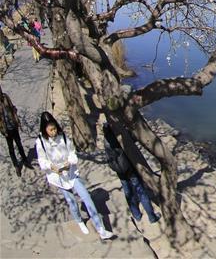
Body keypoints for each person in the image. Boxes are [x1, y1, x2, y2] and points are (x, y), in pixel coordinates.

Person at [35, 112, 114, 240]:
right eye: (50, 130)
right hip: (58, 177)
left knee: (86, 197)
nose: (54, 132)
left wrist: (69, 162)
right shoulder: (41, 143)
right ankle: (79, 221)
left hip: (71, 172)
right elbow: (42, 161)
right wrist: (51, 166)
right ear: (44, 129)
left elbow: (72, 153)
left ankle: (101, 229)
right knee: (72, 202)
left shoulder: (63, 137)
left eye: (54, 128)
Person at [102, 123, 160, 224]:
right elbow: (134, 138)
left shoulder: (106, 140)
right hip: (129, 167)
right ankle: (152, 216)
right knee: (140, 190)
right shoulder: (119, 136)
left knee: (128, 191)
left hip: (119, 170)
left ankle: (136, 215)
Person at [0, 85, 33, 176]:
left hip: (13, 126)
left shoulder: (5, 97)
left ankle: (26, 161)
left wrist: (15, 113)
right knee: (11, 149)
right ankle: (16, 166)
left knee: (19, 145)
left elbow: (12, 107)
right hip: (6, 129)